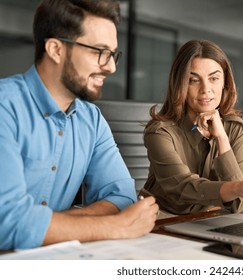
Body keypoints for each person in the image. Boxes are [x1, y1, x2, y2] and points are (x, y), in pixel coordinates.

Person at [0, 0, 158, 250]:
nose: (111, 67)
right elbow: (7, 222)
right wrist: (115, 226)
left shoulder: (91, 119)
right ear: (55, 49)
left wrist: (51, 225)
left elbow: (122, 197)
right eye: (99, 51)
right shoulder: (4, 107)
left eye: (113, 54)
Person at [141, 39, 243, 214]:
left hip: (209, 219)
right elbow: (182, 187)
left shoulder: (234, 128)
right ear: (180, 84)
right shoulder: (160, 133)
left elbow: (239, 204)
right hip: (164, 220)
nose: (206, 89)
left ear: (225, 83)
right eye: (193, 80)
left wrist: (221, 138)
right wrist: (239, 188)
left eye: (214, 78)